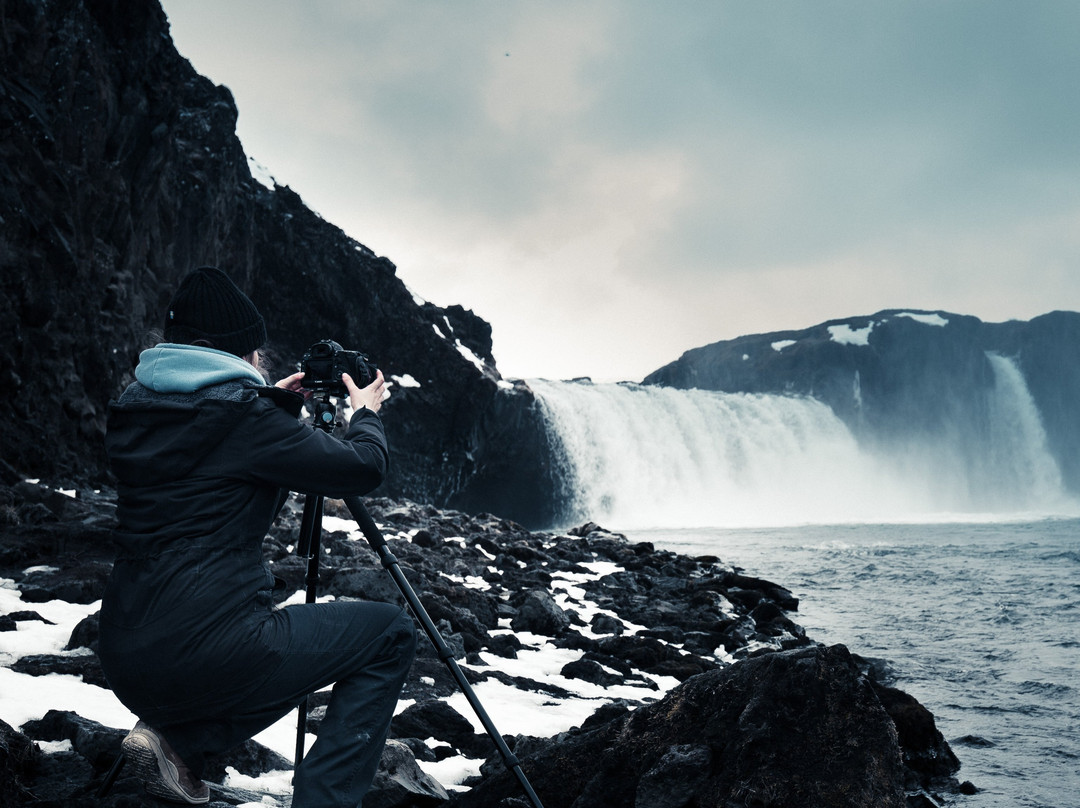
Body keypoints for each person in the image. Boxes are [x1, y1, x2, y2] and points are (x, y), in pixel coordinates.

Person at [99, 266, 416, 806]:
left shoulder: (134, 409)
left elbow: (207, 455)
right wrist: (365, 414)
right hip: (206, 650)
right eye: (256, 351)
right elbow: (360, 468)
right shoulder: (246, 420)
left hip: (125, 651)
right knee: (388, 635)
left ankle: (175, 746)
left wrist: (272, 405)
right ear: (239, 352)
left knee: (246, 650)